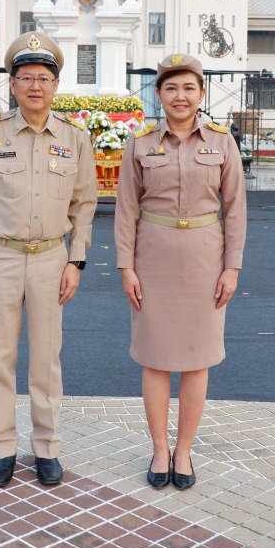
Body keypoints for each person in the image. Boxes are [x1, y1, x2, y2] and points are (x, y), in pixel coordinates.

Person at [0, 31, 97, 488]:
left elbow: (84, 206)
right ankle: (2, 448)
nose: (35, 86)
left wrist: (76, 262)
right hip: (0, 256)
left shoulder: (75, 139)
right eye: (26, 77)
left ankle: (46, 447)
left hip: (50, 261)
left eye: (44, 77)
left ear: (56, 85)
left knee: (46, 360)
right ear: (12, 84)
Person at [114, 54, 246, 490]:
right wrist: (126, 266)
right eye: (171, 88)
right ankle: (158, 447)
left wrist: (232, 267)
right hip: (154, 260)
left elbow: (235, 212)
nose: (180, 96)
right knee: (154, 359)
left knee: (196, 359)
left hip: (206, 261)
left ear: (201, 93)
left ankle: (184, 449)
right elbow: (127, 210)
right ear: (159, 95)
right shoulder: (140, 142)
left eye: (189, 87)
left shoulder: (223, 143)